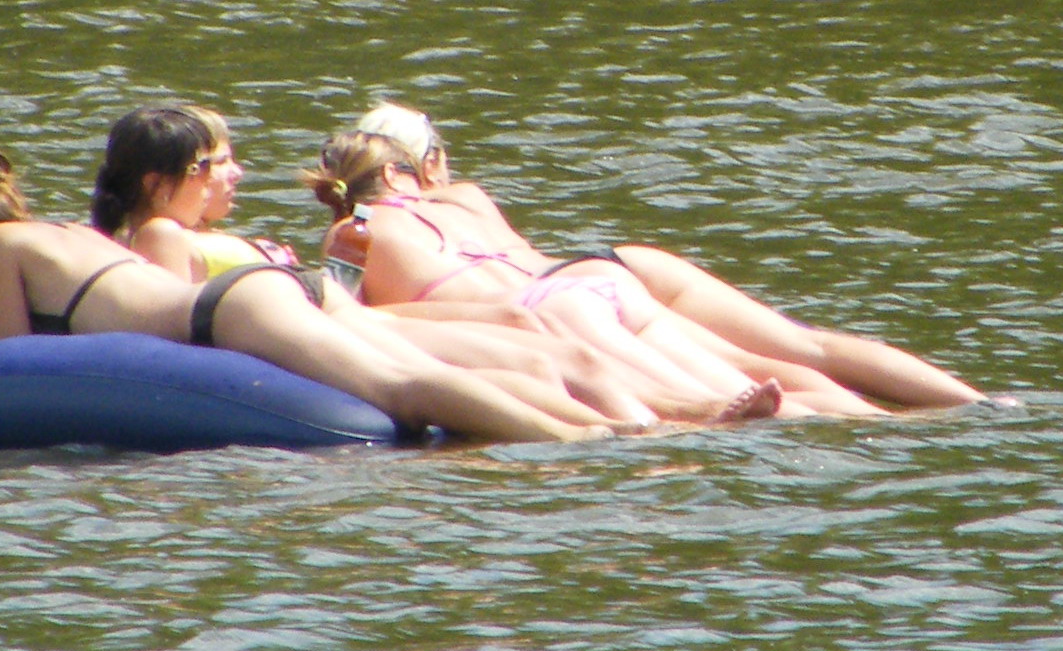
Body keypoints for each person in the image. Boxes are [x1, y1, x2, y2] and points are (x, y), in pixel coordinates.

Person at [87, 105, 789, 427]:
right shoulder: (160, 235)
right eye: (213, 164)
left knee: (531, 323)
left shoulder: (201, 231)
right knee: (528, 352)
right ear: (158, 181)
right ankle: (676, 416)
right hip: (339, 330)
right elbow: (183, 331)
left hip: (357, 315)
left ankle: (658, 410)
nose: (234, 174)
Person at [0, 136, 651, 444]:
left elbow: (20, 365)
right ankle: (611, 426)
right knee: (417, 369)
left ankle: (573, 440)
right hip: (265, 289)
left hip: (230, 309)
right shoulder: (72, 233)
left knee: (403, 389)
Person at [315, 101, 990, 410]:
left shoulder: (356, 230)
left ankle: (826, 423)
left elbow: (345, 318)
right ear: (421, 163)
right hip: (605, 269)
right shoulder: (465, 194)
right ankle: (976, 406)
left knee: (718, 394)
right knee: (799, 351)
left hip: (551, 303)